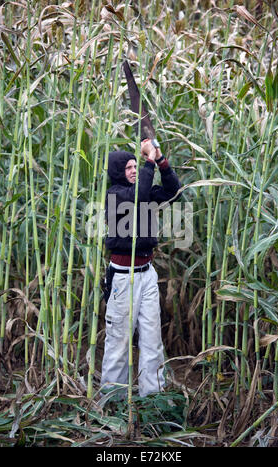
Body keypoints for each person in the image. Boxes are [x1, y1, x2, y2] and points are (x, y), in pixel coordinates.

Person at [100, 139, 182, 398]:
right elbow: (137, 197)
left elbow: (173, 191)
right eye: (128, 168)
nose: (134, 171)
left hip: (147, 275)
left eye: (136, 166)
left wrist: (160, 161)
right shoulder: (116, 194)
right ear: (116, 172)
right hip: (123, 280)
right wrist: (148, 161)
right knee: (119, 342)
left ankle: (153, 398)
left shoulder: (143, 191)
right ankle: (112, 401)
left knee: (152, 340)